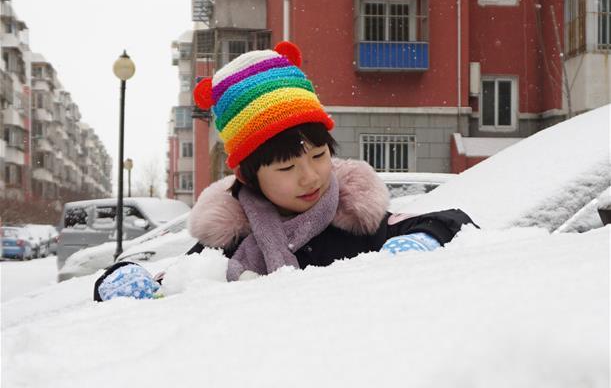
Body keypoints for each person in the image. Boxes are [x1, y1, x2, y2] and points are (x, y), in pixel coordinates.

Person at [94, 41, 474, 301]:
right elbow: (176, 277)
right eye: (287, 166)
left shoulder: (354, 219)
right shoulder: (230, 237)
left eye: (319, 155)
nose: (310, 176)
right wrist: (118, 280)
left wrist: (423, 239)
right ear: (248, 176)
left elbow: (451, 221)